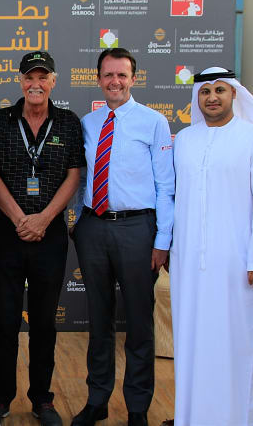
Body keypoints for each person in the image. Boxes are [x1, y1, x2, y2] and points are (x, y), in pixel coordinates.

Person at [167, 67, 253, 426]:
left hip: (239, 264)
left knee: (236, 347)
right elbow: (176, 201)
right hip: (189, 265)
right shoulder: (184, 140)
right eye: (204, 92)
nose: (212, 97)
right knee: (192, 344)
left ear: (234, 94)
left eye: (220, 90)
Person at [71, 48, 174, 426]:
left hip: (137, 230)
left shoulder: (153, 122)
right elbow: (81, 177)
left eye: (122, 75)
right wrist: (79, 222)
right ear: (98, 78)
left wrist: (162, 240)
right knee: (98, 323)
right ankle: (97, 400)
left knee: (139, 324)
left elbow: (166, 184)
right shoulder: (87, 122)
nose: (115, 81)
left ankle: (137, 408)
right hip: (94, 227)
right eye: (108, 75)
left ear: (133, 79)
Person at [0, 51, 84, 426]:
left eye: (43, 77)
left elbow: (74, 175)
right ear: (21, 81)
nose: (36, 84)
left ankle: (43, 399)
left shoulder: (69, 123)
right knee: (6, 322)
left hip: (51, 233)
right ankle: (0, 399)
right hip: (8, 235)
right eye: (30, 77)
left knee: (44, 322)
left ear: (54, 82)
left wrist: (43, 219)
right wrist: (19, 218)